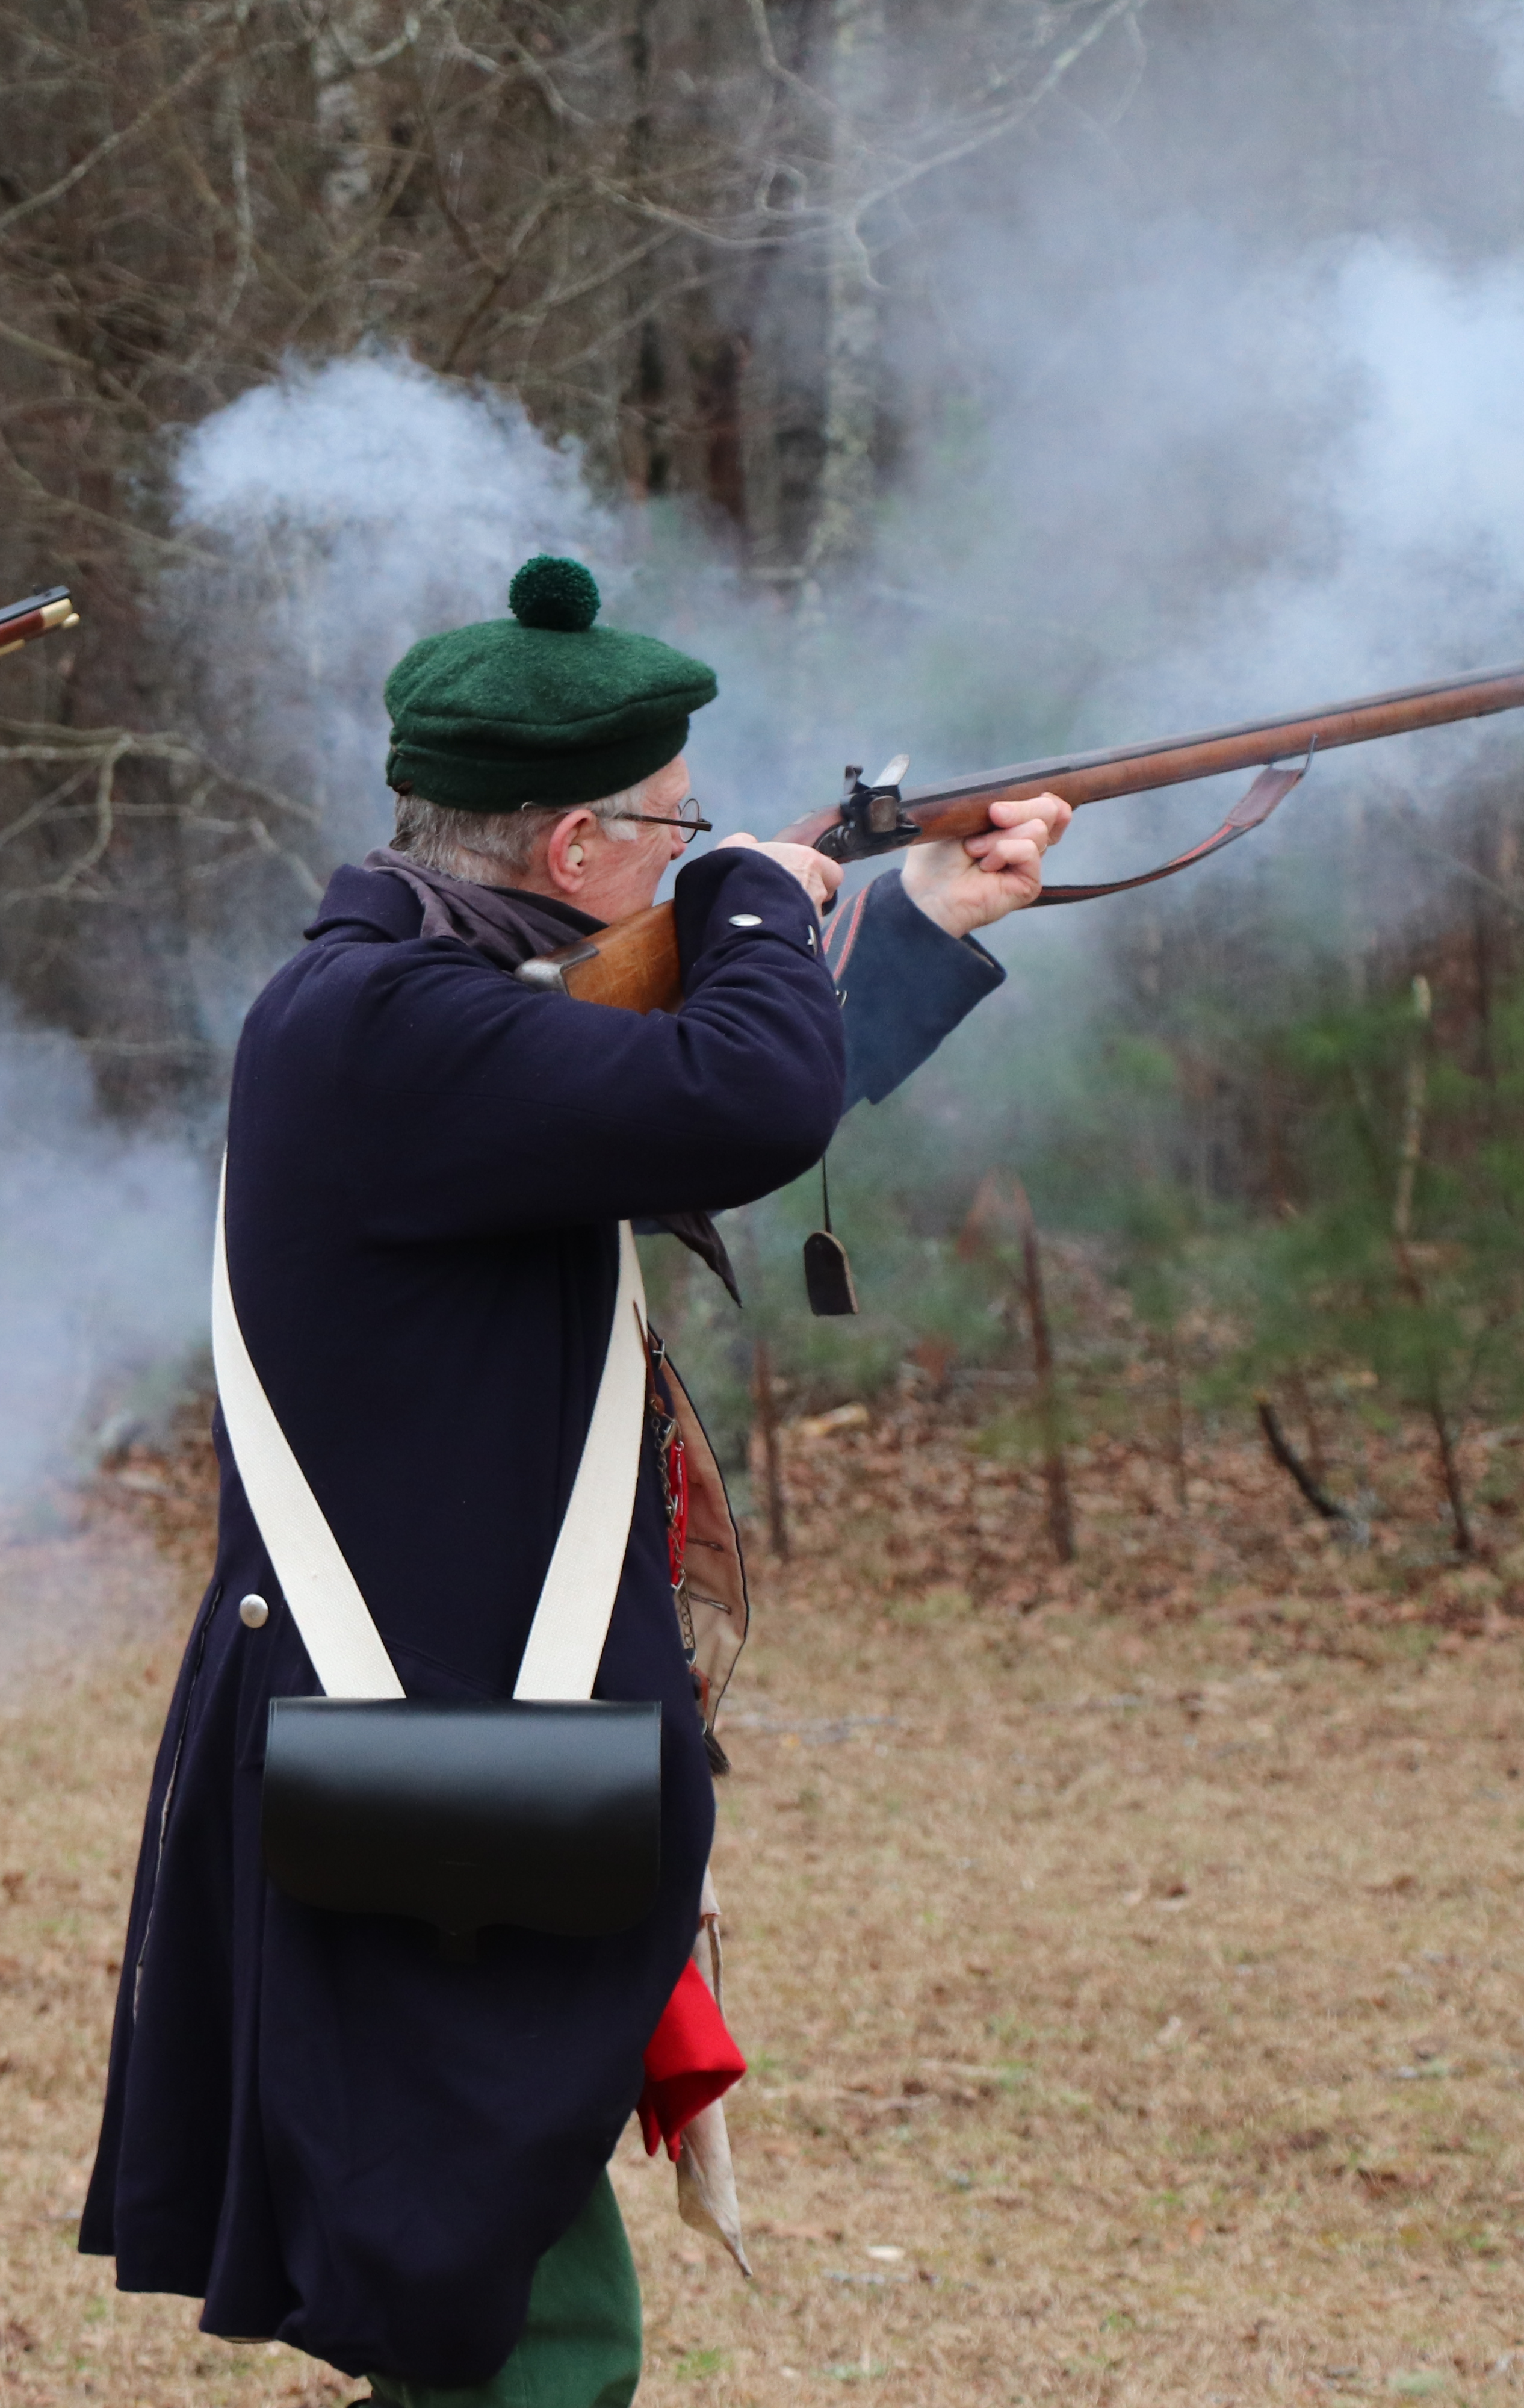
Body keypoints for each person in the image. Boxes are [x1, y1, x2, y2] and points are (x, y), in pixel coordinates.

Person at [78, 557, 1067, 2406]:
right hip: (424, 1749)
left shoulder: (434, 1010)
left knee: (511, 2284)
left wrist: (918, 912)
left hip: (461, 1753)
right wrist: (763, 896)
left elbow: (693, 1093)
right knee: (507, 2319)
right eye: (673, 827)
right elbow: (735, 1096)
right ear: (577, 846)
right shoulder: (389, 1024)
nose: (696, 849)